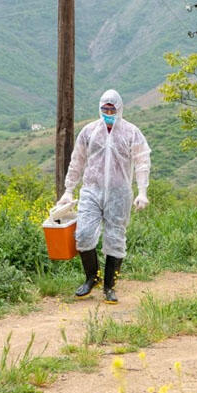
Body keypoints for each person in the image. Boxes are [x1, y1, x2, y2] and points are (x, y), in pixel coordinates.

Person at [56, 89, 151, 304]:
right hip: (91, 190)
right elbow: (77, 160)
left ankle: (109, 286)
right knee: (84, 234)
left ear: (119, 109)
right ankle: (92, 277)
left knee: (115, 238)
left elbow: (142, 161)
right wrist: (68, 189)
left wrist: (142, 191)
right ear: (100, 108)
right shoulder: (89, 132)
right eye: (105, 109)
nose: (108, 112)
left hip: (119, 193)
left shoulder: (131, 132)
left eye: (112, 109)